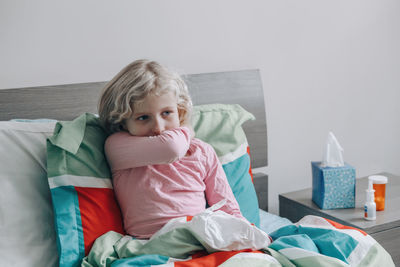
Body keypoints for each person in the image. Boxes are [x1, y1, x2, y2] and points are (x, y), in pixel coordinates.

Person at [98, 59, 243, 239]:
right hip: (149, 244)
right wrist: (187, 130)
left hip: (199, 237)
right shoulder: (117, 146)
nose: (158, 127)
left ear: (180, 111)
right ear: (122, 122)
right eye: (143, 118)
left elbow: (226, 205)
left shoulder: (201, 151)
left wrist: (245, 235)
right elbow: (172, 148)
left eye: (166, 113)